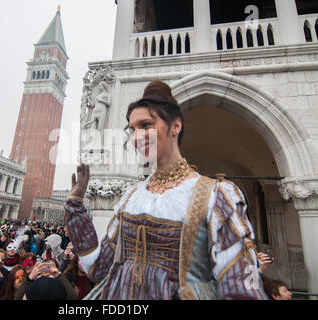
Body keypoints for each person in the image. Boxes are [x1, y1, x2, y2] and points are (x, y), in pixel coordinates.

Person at [63, 80, 267, 300]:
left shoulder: (215, 196)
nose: (137, 137)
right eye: (132, 130)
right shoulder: (132, 196)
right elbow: (99, 267)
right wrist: (75, 208)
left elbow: (240, 287)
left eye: (145, 125)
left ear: (175, 126)